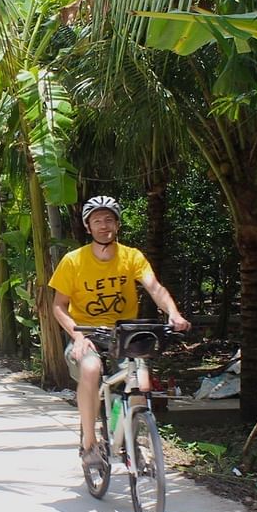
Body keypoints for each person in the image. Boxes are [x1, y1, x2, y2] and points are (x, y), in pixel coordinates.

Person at [48, 195, 191, 468]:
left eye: (109, 220)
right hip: (87, 333)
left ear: (117, 224)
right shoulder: (73, 261)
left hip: (124, 334)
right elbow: (58, 306)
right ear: (88, 226)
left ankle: (127, 436)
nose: (104, 226)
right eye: (97, 221)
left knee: (142, 383)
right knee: (90, 369)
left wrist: (173, 313)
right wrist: (77, 337)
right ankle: (89, 444)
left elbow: (155, 287)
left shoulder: (132, 256)